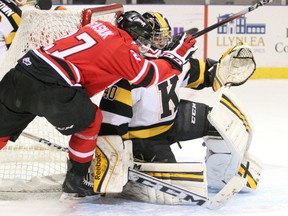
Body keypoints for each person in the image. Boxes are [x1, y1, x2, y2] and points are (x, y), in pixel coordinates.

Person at [0, 10, 197, 198]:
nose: (143, 46)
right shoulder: (121, 48)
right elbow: (148, 76)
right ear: (134, 36)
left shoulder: (100, 27)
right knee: (91, 120)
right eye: (142, 41)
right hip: (51, 89)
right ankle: (77, 178)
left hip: (19, 76)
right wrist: (176, 57)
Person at [98, 11, 261, 204]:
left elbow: (203, 75)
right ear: (143, 39)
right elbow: (110, 126)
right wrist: (118, 158)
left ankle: (223, 173)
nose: (163, 43)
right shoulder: (129, 73)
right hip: (144, 139)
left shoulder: (174, 60)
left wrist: (222, 69)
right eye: (157, 38)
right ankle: (142, 164)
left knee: (220, 124)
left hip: (174, 119)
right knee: (174, 190)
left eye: (165, 37)